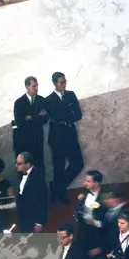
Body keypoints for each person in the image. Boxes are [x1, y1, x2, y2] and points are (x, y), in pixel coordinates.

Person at [45, 72, 84, 204]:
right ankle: (61, 193)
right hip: (57, 136)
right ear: (55, 83)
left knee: (78, 164)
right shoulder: (48, 100)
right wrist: (67, 114)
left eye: (65, 81)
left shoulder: (71, 95)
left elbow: (78, 115)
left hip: (70, 133)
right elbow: (54, 116)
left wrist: (64, 116)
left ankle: (56, 186)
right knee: (59, 166)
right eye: (61, 82)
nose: (64, 84)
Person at [12, 76, 48, 172]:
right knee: (23, 169)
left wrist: (29, 117)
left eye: (36, 86)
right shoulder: (19, 103)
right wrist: (36, 116)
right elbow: (19, 122)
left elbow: (45, 119)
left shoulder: (42, 100)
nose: (36, 88)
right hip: (23, 141)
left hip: (37, 140)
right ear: (27, 87)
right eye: (33, 86)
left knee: (39, 166)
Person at [14, 152, 48, 233]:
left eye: (19, 163)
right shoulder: (23, 175)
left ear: (28, 164)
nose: (16, 166)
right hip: (24, 218)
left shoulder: (37, 178)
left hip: (32, 219)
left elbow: (43, 200)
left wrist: (39, 222)